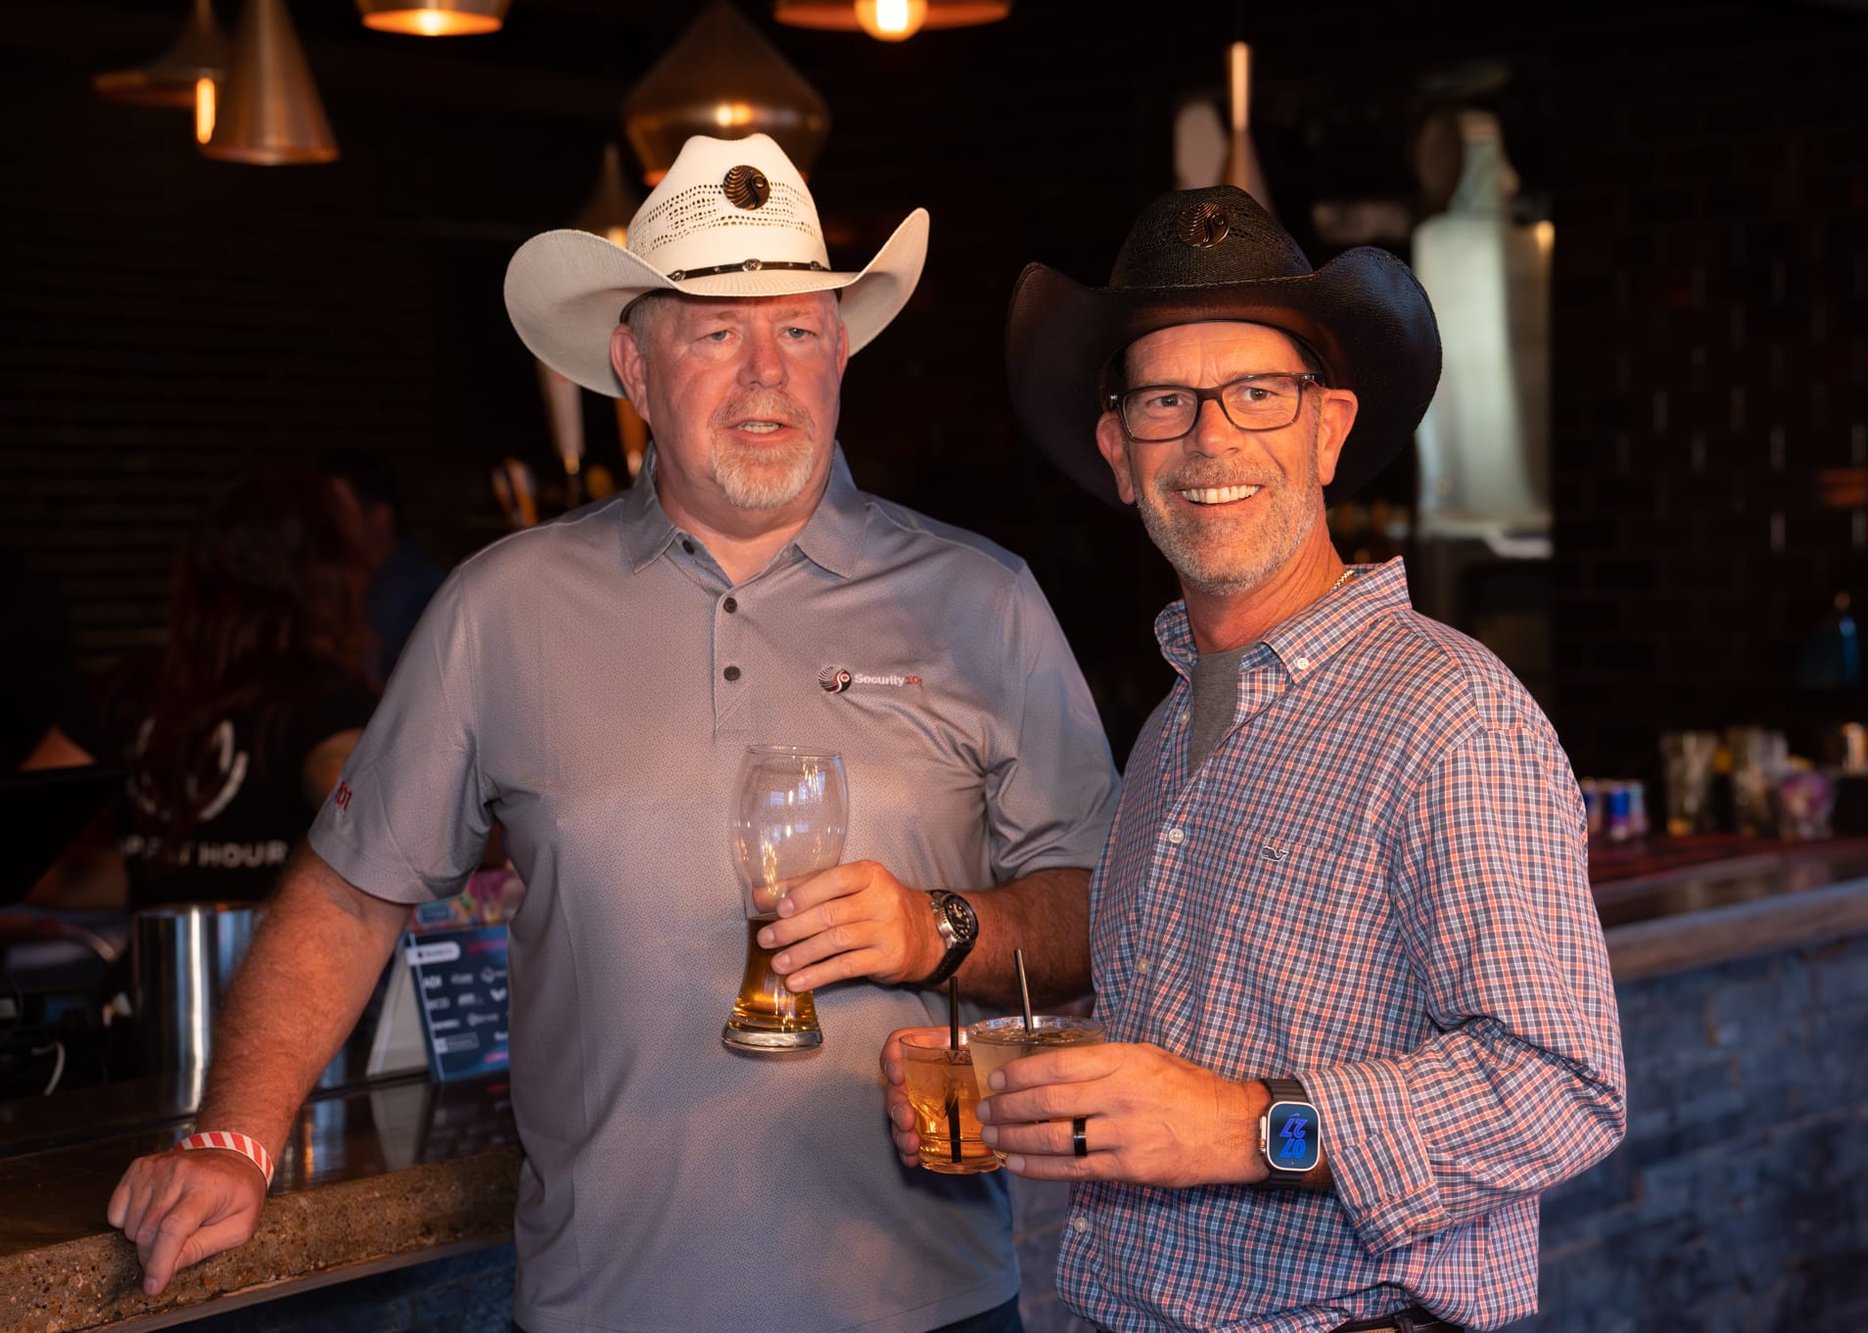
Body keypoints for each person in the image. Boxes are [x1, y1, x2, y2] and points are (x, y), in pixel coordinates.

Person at [105, 133, 1119, 1333]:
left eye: (797, 329)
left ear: (841, 351)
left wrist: (934, 927)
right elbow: (349, 892)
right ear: (633, 367)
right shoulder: (503, 606)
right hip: (605, 1307)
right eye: (713, 332)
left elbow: (1103, 909)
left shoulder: (980, 600)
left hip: (927, 1307)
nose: (764, 374)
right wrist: (233, 1136)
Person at [889, 186, 1627, 1331]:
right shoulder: (1169, 727)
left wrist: (1244, 1126)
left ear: (1327, 429)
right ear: (1119, 453)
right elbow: (1184, 1033)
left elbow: (1558, 1087)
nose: (1211, 439)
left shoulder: (1449, 714)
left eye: (1256, 393)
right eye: (1166, 401)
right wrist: (1008, 1078)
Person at [23, 471, 376, 910]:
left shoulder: (128, 688)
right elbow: (383, 834)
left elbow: (22, 850)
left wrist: (167, 878)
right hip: (282, 970)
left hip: (152, 970)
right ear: (330, 578)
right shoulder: (328, 701)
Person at [318, 446, 445, 677]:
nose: (328, 525)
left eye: (340, 511)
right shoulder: (349, 584)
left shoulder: (416, 595)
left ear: (380, 518)